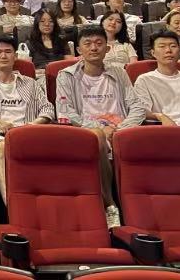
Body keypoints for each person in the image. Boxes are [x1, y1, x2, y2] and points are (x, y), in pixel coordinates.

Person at [55, 27, 147, 228]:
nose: (93, 48)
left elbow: (137, 106)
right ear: (79, 49)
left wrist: (121, 129)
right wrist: (98, 128)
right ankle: (109, 204)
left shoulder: (119, 72)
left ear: (108, 48)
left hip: (120, 131)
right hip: (85, 133)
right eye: (87, 44)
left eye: (99, 43)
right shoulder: (66, 75)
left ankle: (142, 211)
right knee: (97, 136)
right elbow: (65, 112)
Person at [0, 36, 54, 202]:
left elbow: (48, 109)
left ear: (15, 56)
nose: (3, 56)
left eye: (8, 52)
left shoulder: (31, 84)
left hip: (28, 132)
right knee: (3, 147)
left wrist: (32, 124)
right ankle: (11, 205)